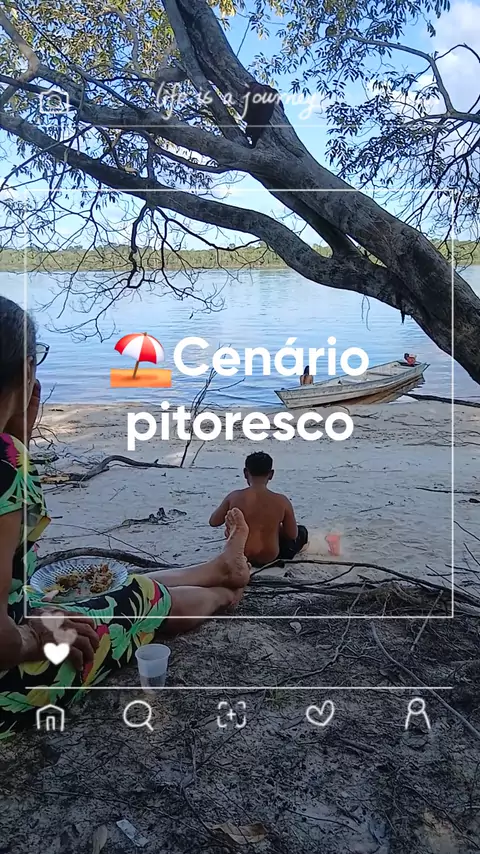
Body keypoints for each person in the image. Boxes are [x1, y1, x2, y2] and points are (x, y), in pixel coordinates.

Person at [0, 296, 251, 738]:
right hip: (9, 685)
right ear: (25, 370)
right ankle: (222, 594)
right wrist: (35, 637)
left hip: (13, 619)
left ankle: (215, 569)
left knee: (85, 596)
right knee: (134, 602)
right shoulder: (5, 468)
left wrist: (33, 618)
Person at [209, 451, 308, 568]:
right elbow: (292, 535)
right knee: (302, 531)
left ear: (245, 473)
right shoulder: (282, 501)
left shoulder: (234, 497)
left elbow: (213, 522)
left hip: (241, 555)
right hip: (270, 557)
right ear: (271, 474)